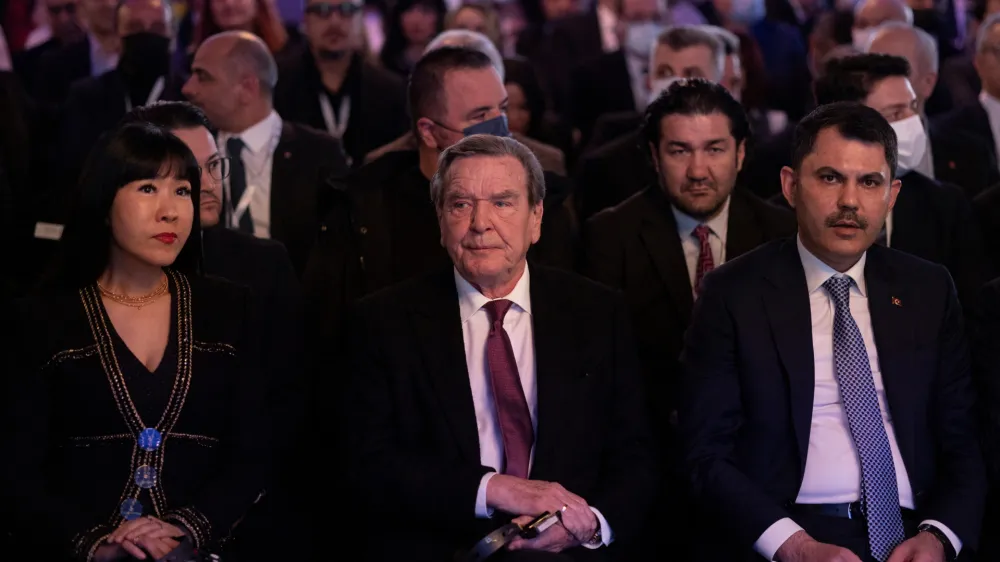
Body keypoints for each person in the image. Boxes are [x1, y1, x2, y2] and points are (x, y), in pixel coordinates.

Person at [680, 101, 986, 562]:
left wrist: (939, 536)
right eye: (830, 178)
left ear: (892, 195)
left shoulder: (927, 290)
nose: (849, 201)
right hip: (795, 531)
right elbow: (705, 453)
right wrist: (794, 546)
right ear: (790, 186)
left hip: (914, 531)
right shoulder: (734, 293)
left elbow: (962, 438)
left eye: (869, 182)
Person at [347, 134, 656, 561]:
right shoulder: (382, 322)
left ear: (536, 218)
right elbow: (367, 464)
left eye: (502, 203)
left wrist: (590, 525)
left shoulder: (598, 313)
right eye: (460, 204)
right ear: (440, 220)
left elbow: (635, 455)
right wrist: (493, 488)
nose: (480, 223)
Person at [1, 123, 271, 561]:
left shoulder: (230, 310)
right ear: (103, 203)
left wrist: (184, 530)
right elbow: (16, 471)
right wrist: (99, 545)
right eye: (148, 188)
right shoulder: (39, 320)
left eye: (182, 191)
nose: (170, 211)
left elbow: (255, 452)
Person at [583, 78, 794, 557]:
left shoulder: (784, 233)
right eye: (680, 151)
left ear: (741, 153)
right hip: (656, 466)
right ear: (654, 157)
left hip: (764, 465)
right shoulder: (609, 235)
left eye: (714, 149)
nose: (698, 171)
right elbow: (605, 375)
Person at [813, 54, 988, 313]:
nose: (913, 122)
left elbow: (970, 306)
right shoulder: (795, 209)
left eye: (913, 108)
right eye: (895, 113)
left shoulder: (945, 207)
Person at [183, 30, 348, 275]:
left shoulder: (318, 154)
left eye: (202, 77)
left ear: (247, 88)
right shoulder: (188, 151)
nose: (188, 88)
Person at [575, 25, 726, 220]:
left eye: (691, 74)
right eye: (665, 73)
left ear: (718, 84)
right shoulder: (606, 169)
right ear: (649, 81)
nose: (676, 83)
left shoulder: (750, 162)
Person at [55, 0, 182, 191]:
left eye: (157, 28)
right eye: (135, 27)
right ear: (116, 36)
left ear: (171, 36)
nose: (146, 35)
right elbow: (71, 172)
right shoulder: (86, 97)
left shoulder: (188, 97)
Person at [866, 23, 999, 195]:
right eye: (870, 72)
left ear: (928, 83)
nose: (878, 83)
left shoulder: (972, 155)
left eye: (894, 72)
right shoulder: (843, 152)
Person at [273, 0, 408, 167]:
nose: (335, 22)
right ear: (305, 20)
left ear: (361, 19)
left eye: (346, 9)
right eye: (322, 10)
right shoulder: (276, 85)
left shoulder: (392, 91)